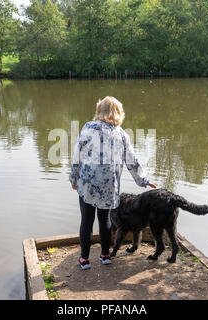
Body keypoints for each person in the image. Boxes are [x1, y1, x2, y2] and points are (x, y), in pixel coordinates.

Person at [69, 96, 156, 270]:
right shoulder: (121, 134)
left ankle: (84, 260)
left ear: (99, 111)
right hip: (109, 185)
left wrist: (74, 177)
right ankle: (105, 255)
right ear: (118, 113)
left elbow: (76, 155)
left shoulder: (88, 127)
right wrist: (143, 180)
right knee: (105, 219)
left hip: (87, 183)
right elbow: (132, 160)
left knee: (86, 221)